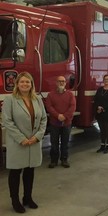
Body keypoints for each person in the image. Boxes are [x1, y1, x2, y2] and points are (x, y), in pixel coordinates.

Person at [2, 72, 47, 213]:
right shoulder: (10, 99)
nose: (25, 84)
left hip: (33, 142)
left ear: (31, 84)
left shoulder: (38, 99)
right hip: (18, 143)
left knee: (30, 171)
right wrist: (21, 138)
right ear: (17, 84)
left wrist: (38, 136)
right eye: (22, 82)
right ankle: (15, 201)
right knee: (15, 172)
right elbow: (7, 121)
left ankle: (27, 197)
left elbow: (44, 119)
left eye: (27, 82)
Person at [46, 76, 76, 168]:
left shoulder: (70, 95)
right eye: (59, 81)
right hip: (54, 123)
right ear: (56, 83)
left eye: (63, 81)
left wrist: (64, 116)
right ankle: (53, 161)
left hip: (66, 123)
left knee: (65, 143)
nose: (61, 83)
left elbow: (72, 107)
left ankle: (64, 160)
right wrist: (58, 116)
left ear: (65, 83)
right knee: (54, 143)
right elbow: (49, 107)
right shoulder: (50, 95)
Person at [93, 74, 108, 154]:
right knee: (102, 130)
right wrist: (98, 107)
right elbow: (95, 99)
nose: (106, 81)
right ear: (103, 80)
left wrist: (102, 108)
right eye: (105, 79)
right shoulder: (99, 89)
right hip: (100, 113)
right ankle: (102, 145)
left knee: (107, 130)